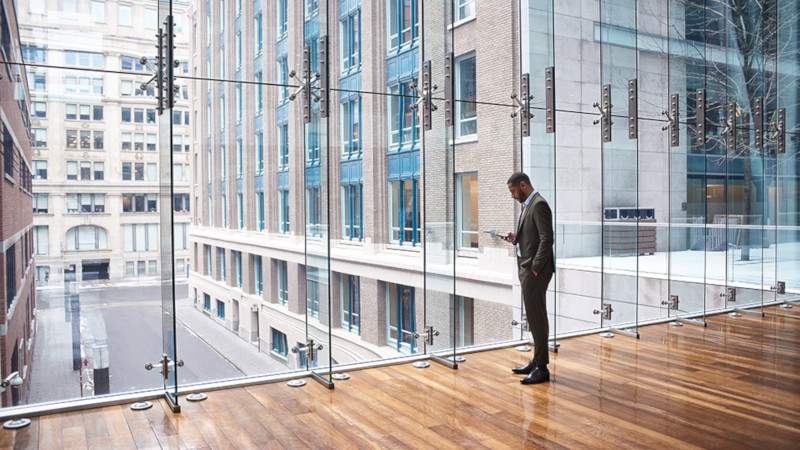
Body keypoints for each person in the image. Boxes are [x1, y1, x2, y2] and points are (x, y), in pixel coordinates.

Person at [501, 172, 555, 385]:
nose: (512, 196)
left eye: (513, 191)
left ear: (523, 185)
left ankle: (542, 368)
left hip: (535, 271)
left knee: (537, 317)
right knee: (533, 317)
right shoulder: (528, 205)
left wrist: (535, 268)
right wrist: (517, 239)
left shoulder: (539, 204)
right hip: (528, 268)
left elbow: (546, 239)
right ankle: (536, 360)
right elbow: (533, 236)